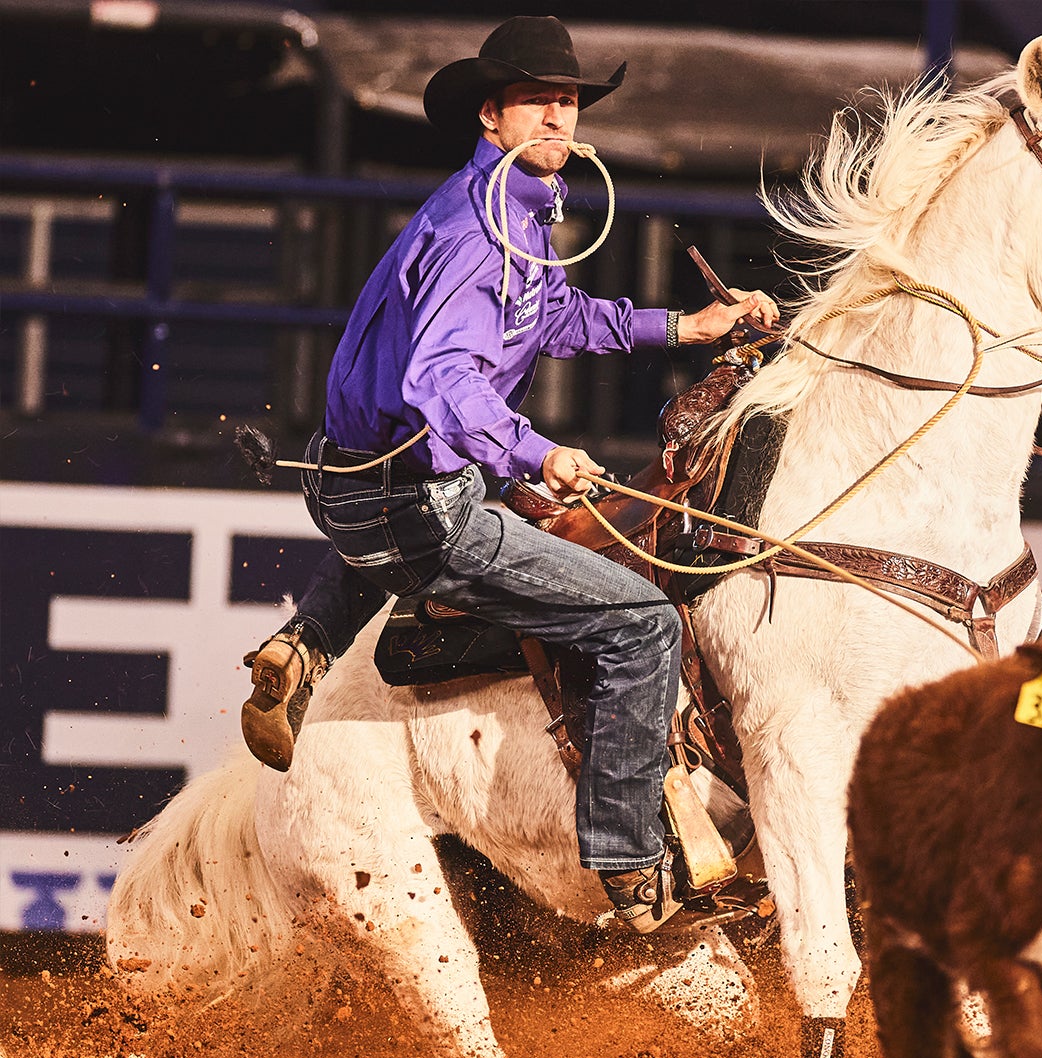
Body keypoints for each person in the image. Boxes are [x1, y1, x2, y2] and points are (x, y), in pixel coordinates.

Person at [237, 15, 778, 931]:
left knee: (486, 511)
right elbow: (441, 377)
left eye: (568, 101)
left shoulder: (500, 208)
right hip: (420, 505)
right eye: (539, 100)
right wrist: (540, 451)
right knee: (641, 621)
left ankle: (308, 641)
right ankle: (632, 869)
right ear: (494, 116)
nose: (559, 116)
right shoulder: (478, 234)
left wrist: (684, 329)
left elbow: (552, 318)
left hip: (358, 485)